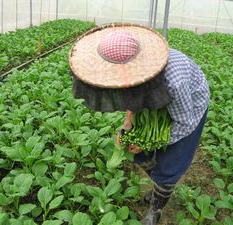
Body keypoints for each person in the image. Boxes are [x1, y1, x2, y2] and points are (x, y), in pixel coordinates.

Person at [69, 23, 210, 225]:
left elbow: (185, 124)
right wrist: (127, 124)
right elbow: (132, 93)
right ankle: (158, 188)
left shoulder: (174, 82)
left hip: (189, 108)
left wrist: (149, 143)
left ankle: (156, 208)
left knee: (171, 162)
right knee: (135, 148)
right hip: (160, 98)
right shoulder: (134, 78)